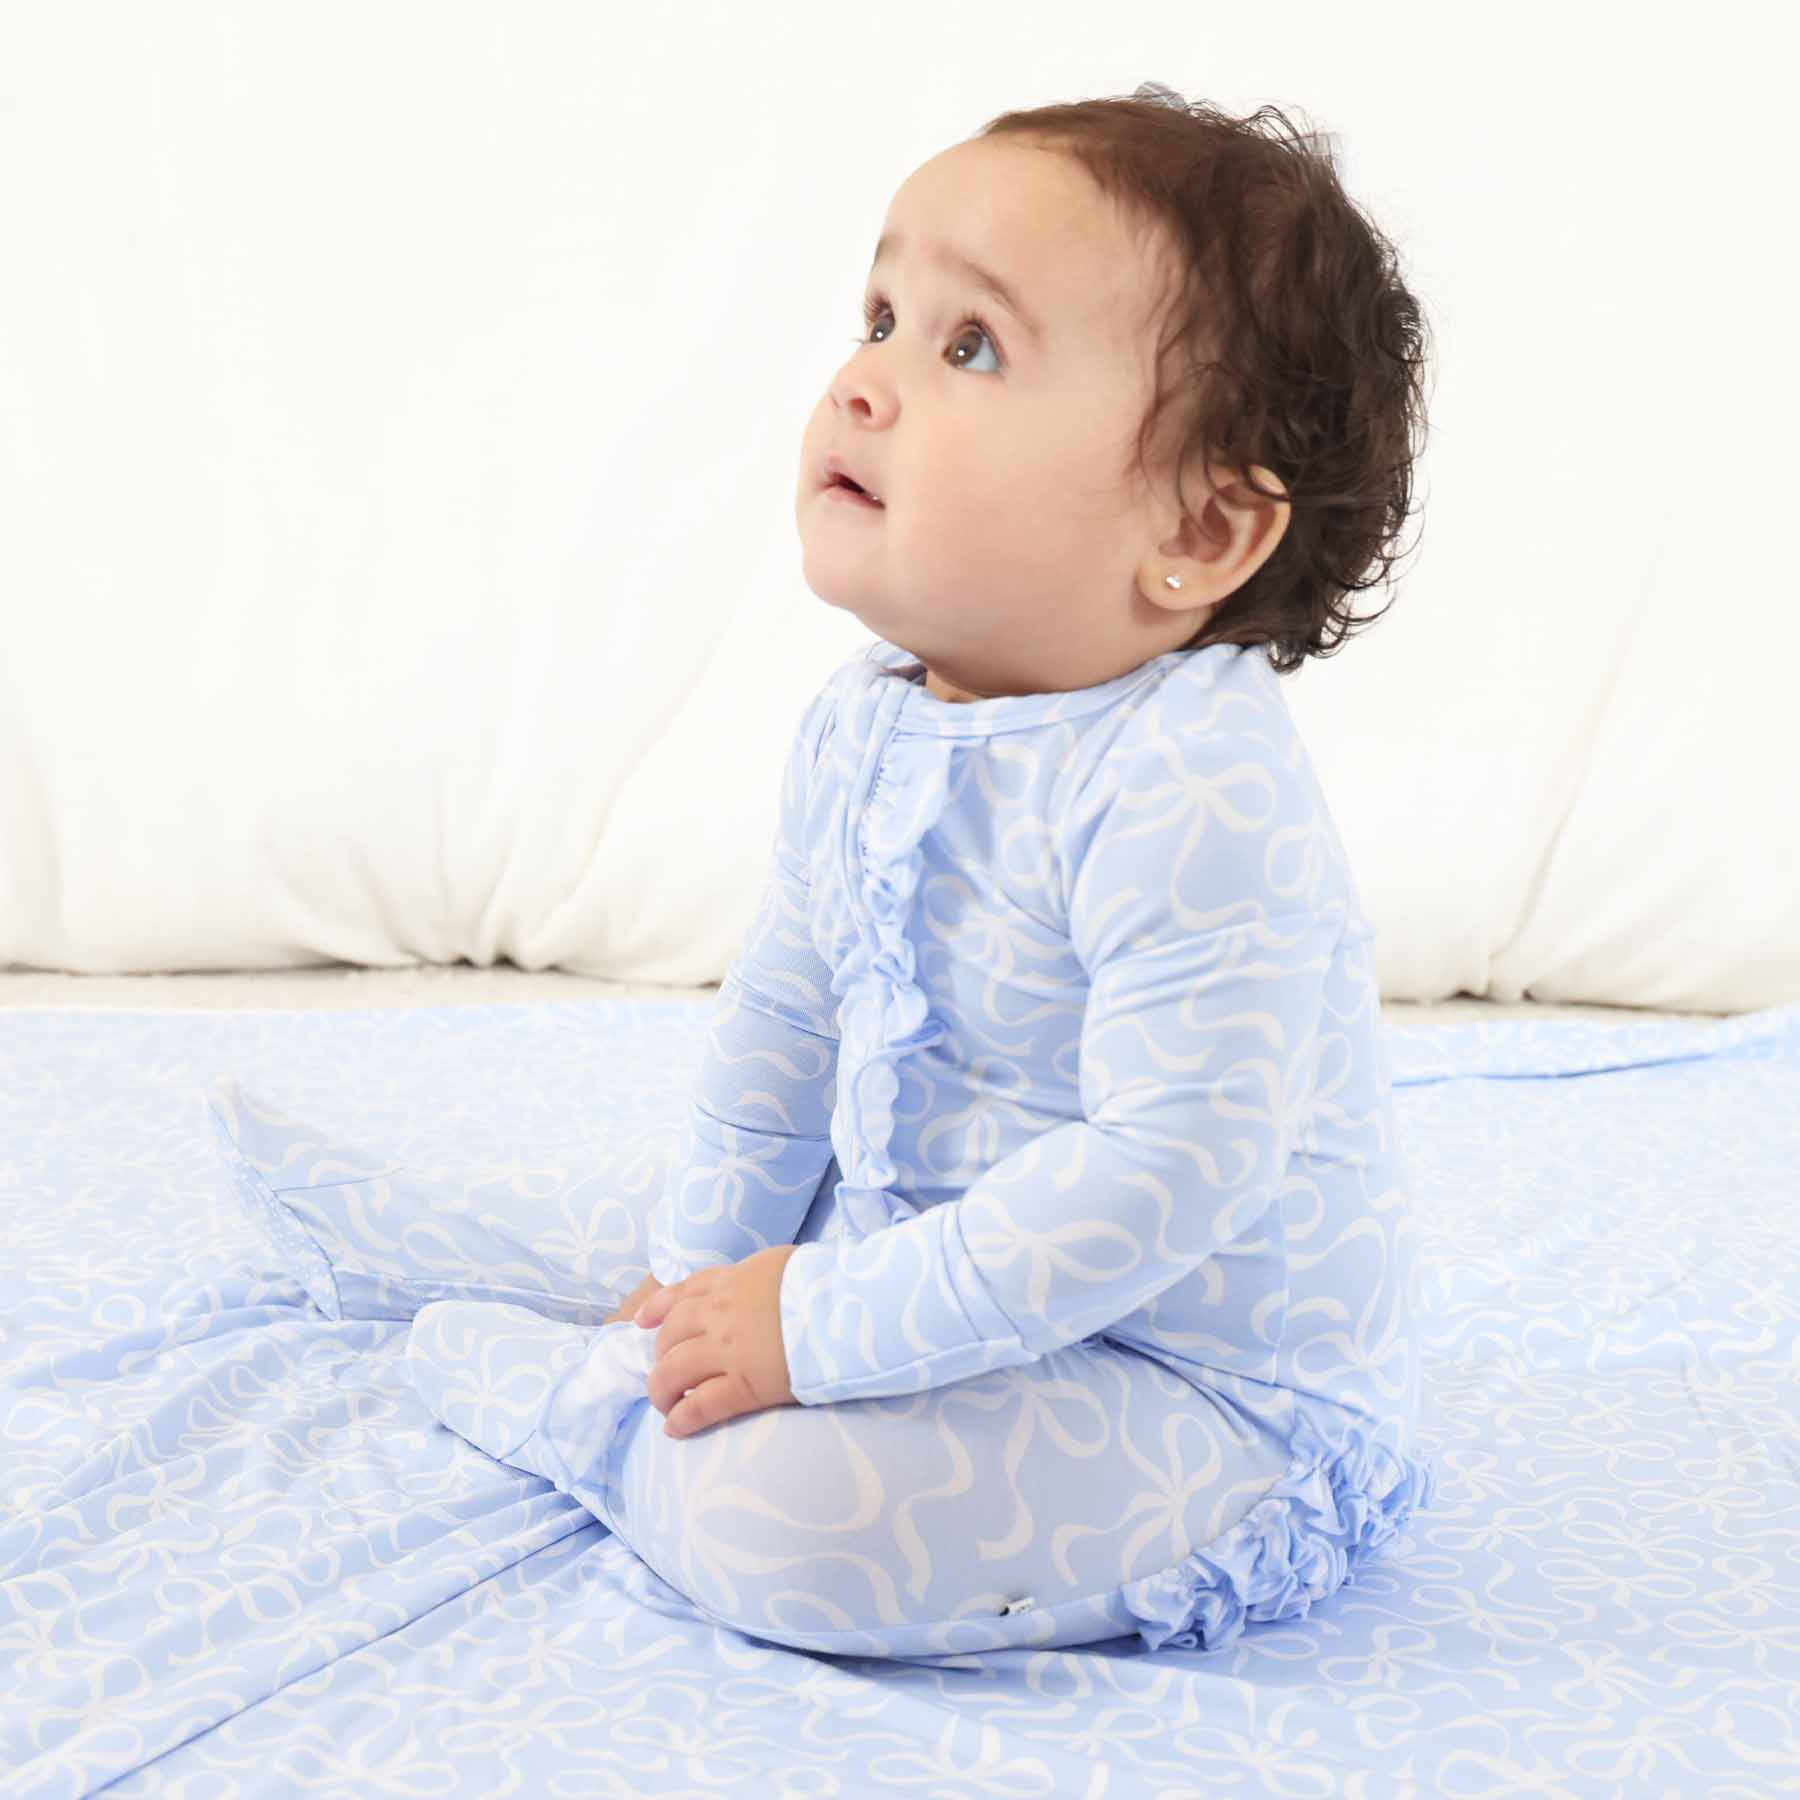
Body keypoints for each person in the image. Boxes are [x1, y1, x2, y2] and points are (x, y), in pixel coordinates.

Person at [212, 85, 1439, 1661]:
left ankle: (583, 1412)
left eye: (970, 346)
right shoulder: (865, 723)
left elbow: (1158, 1178)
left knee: (804, 1524)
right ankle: (550, 1281)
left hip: (1185, 1389)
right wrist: (704, 1268)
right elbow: (787, 1031)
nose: (864, 381)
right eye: (879, 317)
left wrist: (810, 1328)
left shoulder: (1194, 784)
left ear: (1199, 532)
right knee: (694, 1229)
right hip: (922, 1260)